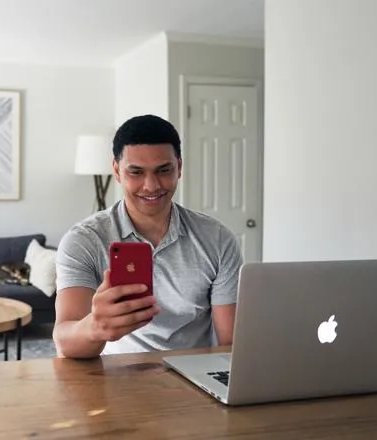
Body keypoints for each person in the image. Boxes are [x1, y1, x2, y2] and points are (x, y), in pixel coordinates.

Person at [53, 114, 243, 359]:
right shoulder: (84, 241)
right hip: (113, 377)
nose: (151, 186)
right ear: (117, 171)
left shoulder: (218, 239)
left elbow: (230, 345)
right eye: (136, 172)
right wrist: (95, 327)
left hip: (193, 378)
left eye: (164, 170)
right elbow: (65, 342)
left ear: (179, 168)